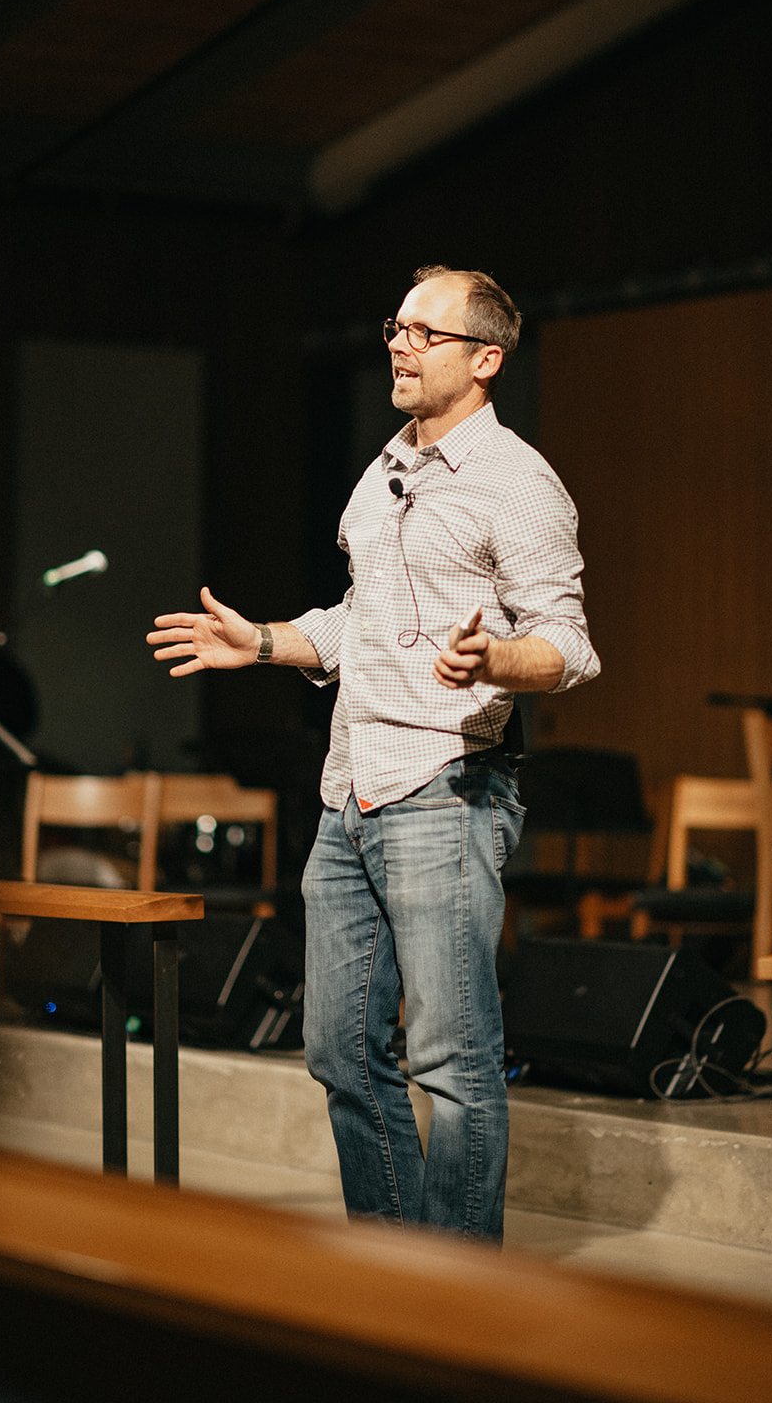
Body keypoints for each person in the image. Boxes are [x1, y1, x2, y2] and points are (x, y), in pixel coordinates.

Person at [148, 265, 599, 1241]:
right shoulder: (385, 467)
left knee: (451, 1061)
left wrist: (496, 657)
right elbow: (367, 618)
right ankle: (393, 1261)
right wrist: (264, 640)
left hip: (446, 788)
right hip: (349, 790)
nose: (399, 344)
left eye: (423, 332)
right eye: (395, 327)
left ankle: (457, 1286)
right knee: (339, 1051)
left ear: (486, 359)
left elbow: (568, 644)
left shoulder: (516, 482)